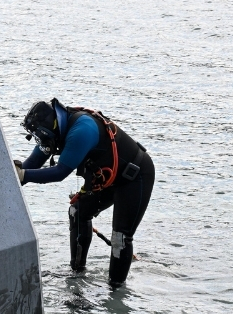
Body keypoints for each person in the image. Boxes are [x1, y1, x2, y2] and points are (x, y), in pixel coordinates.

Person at [15, 98, 154, 287]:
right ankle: (77, 274)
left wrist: (23, 175)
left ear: (51, 127)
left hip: (134, 177)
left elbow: (59, 172)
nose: (40, 140)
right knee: (77, 212)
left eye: (40, 135)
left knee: (120, 238)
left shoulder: (82, 130)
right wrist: (11, 178)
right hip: (107, 178)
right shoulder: (53, 132)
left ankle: (116, 291)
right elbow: (31, 165)